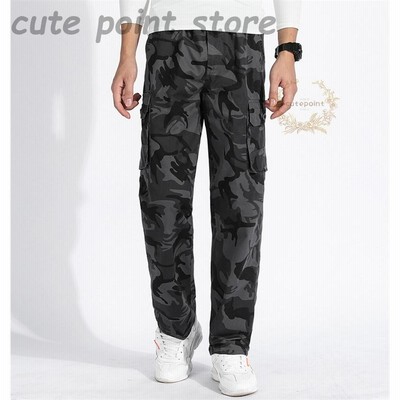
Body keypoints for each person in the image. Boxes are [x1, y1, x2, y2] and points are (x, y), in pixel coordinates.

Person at [111, 0, 302, 396]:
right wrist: (127, 53)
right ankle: (176, 330)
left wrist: (287, 50)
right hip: (168, 43)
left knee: (241, 201)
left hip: (241, 42)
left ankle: (231, 345)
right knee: (162, 198)